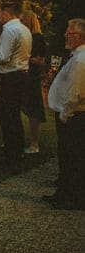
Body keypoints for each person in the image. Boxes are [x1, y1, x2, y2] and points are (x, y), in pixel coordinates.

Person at [44, 18, 85, 210]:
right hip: (71, 113)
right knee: (68, 155)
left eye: (69, 33)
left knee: (72, 156)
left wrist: (65, 113)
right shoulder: (75, 56)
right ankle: (64, 192)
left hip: (73, 115)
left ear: (78, 36)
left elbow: (76, 92)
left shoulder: (80, 60)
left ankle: (71, 196)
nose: (65, 36)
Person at [0, 2, 32, 160]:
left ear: (5, 14)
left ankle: (10, 151)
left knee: (6, 114)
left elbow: (3, 57)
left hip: (11, 76)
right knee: (14, 113)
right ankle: (17, 149)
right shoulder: (25, 29)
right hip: (22, 74)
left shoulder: (9, 31)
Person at [20, 10, 47, 154]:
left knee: (33, 111)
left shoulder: (37, 38)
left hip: (32, 78)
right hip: (22, 77)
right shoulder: (23, 36)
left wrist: (24, 58)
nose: (20, 22)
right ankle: (18, 140)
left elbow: (41, 61)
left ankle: (34, 143)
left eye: (22, 19)